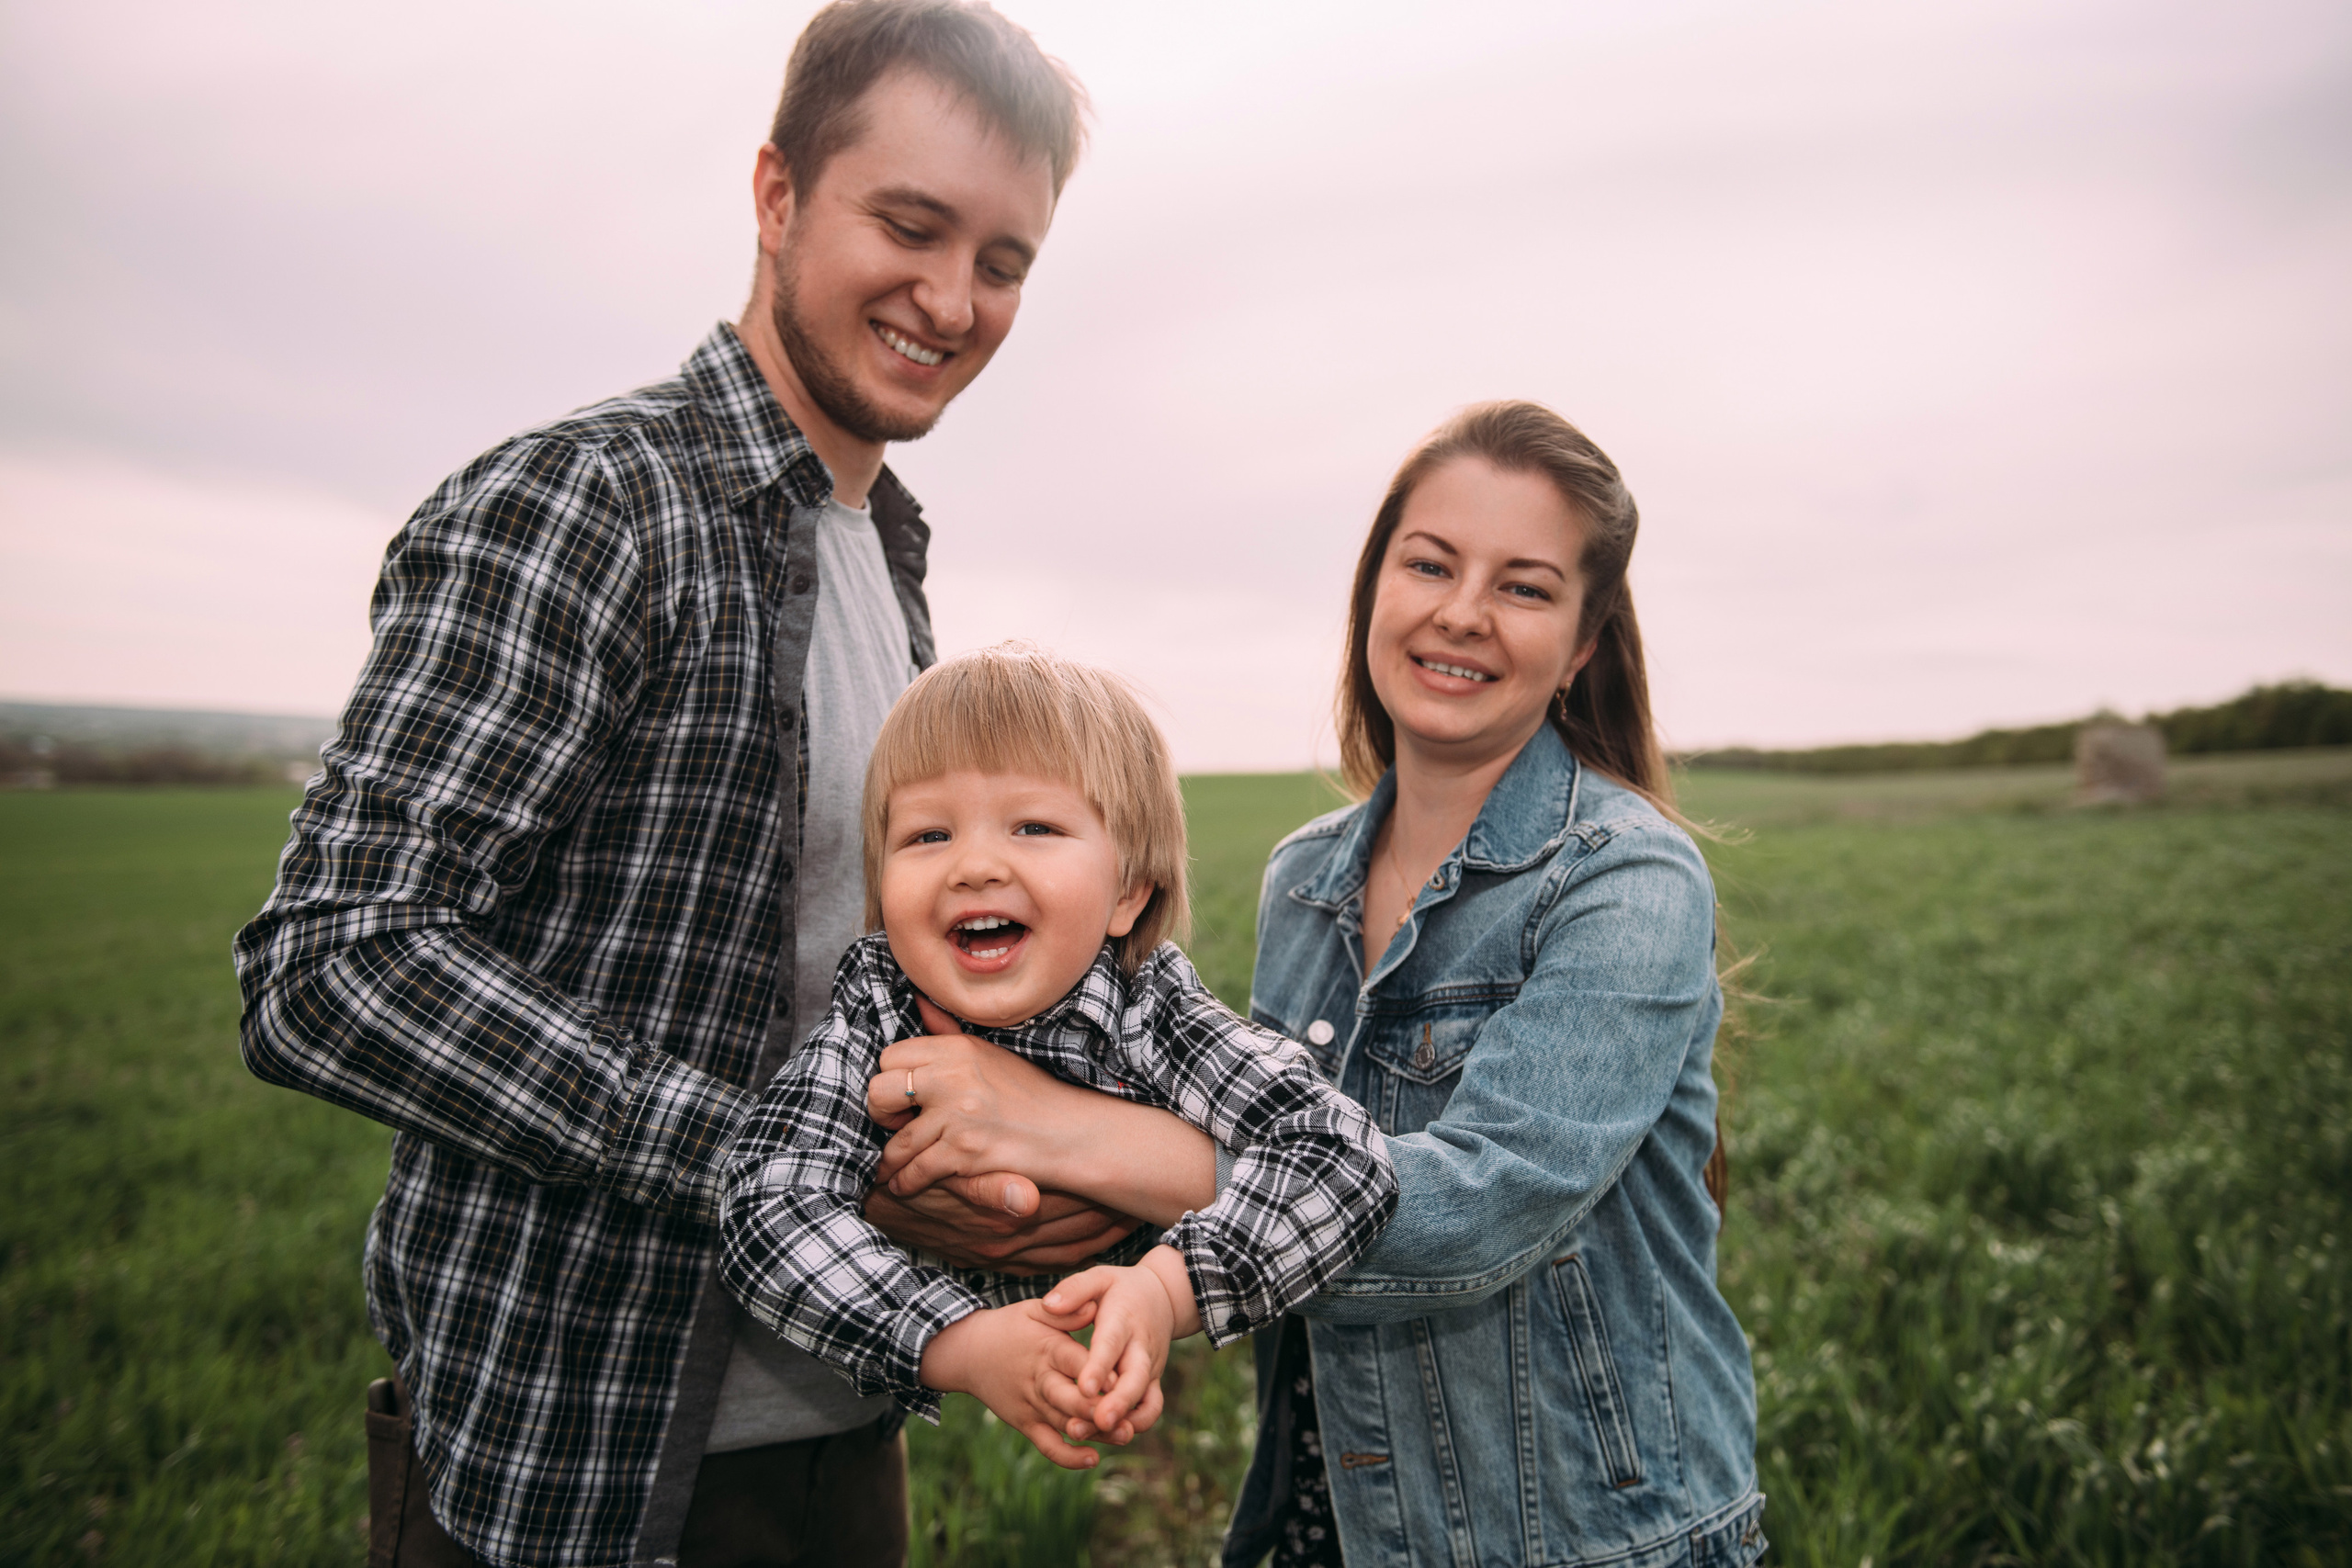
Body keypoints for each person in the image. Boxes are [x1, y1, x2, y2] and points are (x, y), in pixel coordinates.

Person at [231, 6, 1100, 1565]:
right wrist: (788, 1163)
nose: (952, 298)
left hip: (844, 1418)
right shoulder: (592, 503)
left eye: (1005, 259)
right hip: (580, 1460)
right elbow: (332, 962)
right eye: (909, 225)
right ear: (776, 196)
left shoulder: (886, 560)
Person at [861, 403, 1766, 1566]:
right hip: (1327, 1511)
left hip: (1576, 1535)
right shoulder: (1307, 880)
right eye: (1429, 563)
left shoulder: (1628, 878)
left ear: (1581, 647)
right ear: (1372, 586)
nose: (1460, 613)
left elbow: (1475, 1211)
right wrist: (973, 1191)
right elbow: (1242, 1162)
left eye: (1524, 588)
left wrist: (1075, 1132)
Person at [718, 645, 1398, 1468]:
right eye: (928, 833)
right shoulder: (877, 1013)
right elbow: (765, 1201)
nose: (973, 865)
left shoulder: (1156, 1010)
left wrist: (1166, 1287)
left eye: (1034, 827)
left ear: (1127, 892)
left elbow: (1343, 1155)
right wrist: (958, 1340)